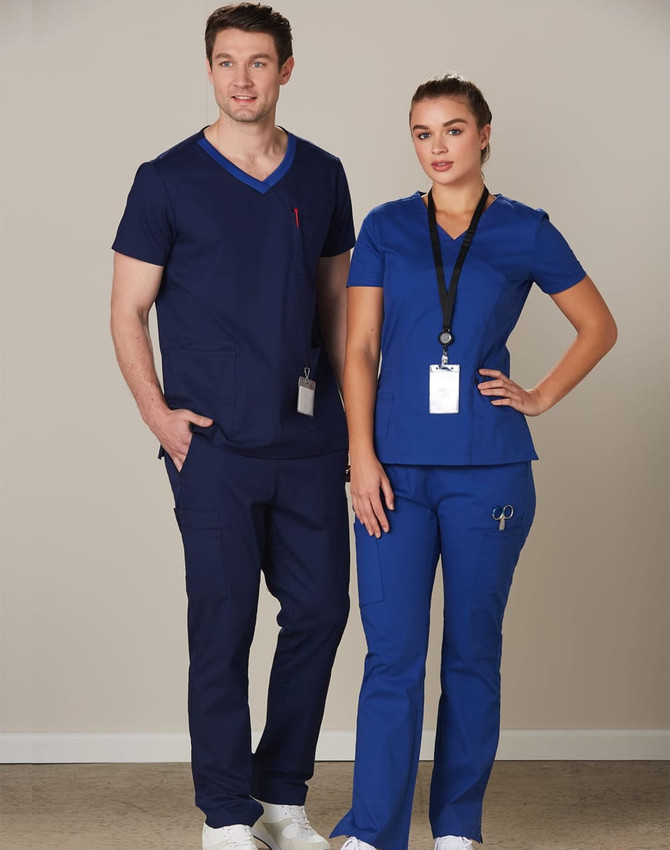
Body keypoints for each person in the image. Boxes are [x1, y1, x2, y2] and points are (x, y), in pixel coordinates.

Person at [331, 74, 617, 850]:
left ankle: (458, 826)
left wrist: (541, 395)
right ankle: (374, 831)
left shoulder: (526, 230)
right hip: (390, 469)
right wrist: (360, 455)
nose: (437, 148)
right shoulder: (387, 228)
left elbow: (597, 325)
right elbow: (357, 350)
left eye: (453, 131)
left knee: (471, 653)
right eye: (422, 133)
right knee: (392, 654)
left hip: (488, 470)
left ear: (484, 134)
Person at [110, 5, 354, 850]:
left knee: (321, 611)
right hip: (211, 445)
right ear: (209, 70)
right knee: (222, 624)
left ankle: (281, 799)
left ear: (287, 70)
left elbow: (335, 306)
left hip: (309, 439)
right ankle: (225, 814)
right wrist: (158, 414)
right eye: (226, 62)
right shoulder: (166, 178)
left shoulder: (322, 174)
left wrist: (353, 429)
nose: (241, 78)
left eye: (258, 62)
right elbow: (127, 310)